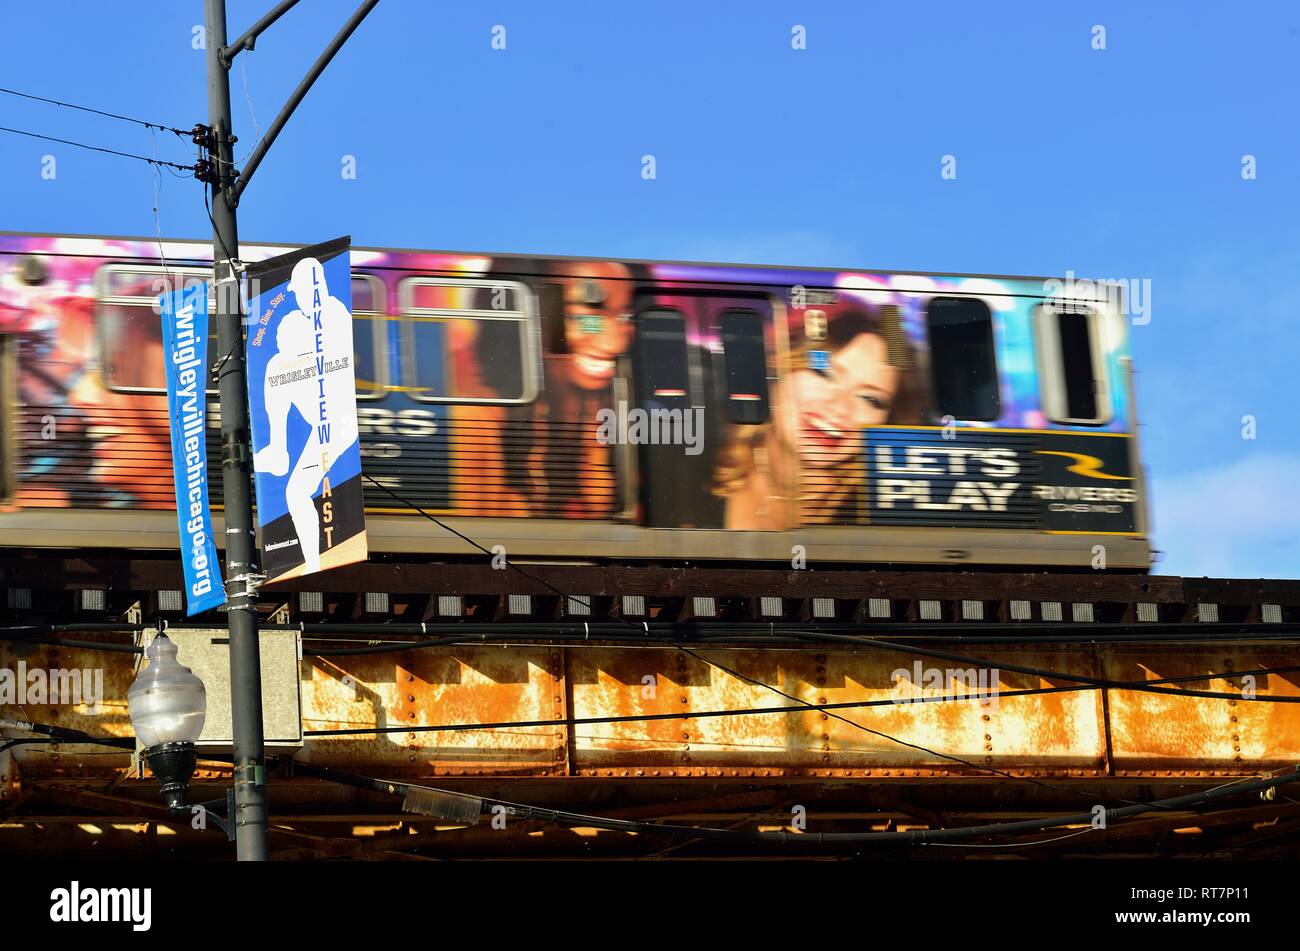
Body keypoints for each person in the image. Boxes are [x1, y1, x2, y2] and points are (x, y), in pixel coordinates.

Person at [712, 305, 925, 529]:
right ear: (780, 365)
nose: (840, 407)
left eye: (870, 399)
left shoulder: (888, 518)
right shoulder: (689, 457)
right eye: (824, 373)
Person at [253, 257, 359, 575]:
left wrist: (293, 359)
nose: (298, 296)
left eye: (300, 290)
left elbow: (332, 361)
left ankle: (312, 563)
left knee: (296, 492)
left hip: (336, 423)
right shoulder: (298, 319)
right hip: (321, 421)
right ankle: (278, 449)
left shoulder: (335, 313)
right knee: (275, 367)